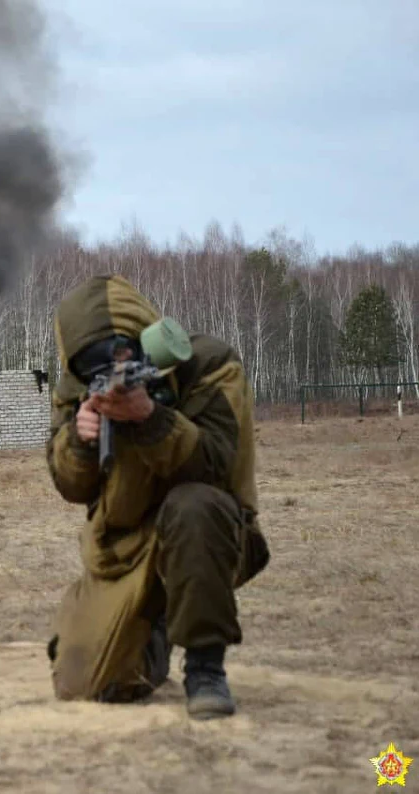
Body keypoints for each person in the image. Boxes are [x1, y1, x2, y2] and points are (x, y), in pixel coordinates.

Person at [43, 274, 270, 720]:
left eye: (122, 351)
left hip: (210, 531)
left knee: (193, 506)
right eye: (97, 361)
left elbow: (217, 465)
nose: (114, 366)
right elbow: (71, 486)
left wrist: (151, 419)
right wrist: (80, 441)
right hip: (125, 546)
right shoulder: (76, 389)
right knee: (81, 684)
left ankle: (205, 667)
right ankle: (151, 638)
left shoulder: (208, 365)